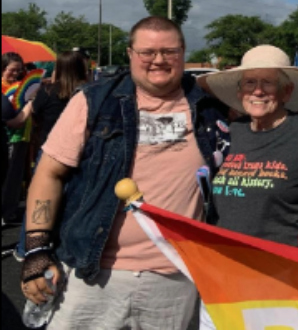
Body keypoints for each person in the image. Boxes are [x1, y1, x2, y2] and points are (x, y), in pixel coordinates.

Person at [20, 16, 230, 330]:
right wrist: (37, 249)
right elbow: (49, 173)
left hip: (176, 277)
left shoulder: (211, 108)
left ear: (183, 52)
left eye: (169, 51)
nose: (158, 60)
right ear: (130, 54)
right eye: (147, 52)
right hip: (92, 274)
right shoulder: (93, 102)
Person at [199, 45, 298, 245]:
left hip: (282, 265)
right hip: (224, 260)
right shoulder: (228, 132)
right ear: (240, 92)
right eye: (250, 83)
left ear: (287, 91)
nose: (258, 91)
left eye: (268, 83)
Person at [12, 50, 90, 261]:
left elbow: (33, 116)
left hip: (49, 151)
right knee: (74, 201)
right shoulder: (87, 92)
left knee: (39, 201)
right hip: (81, 153)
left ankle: (24, 248)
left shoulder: (47, 91)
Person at [1, 52, 31, 225]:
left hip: (23, 136)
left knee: (15, 177)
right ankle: (5, 212)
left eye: (19, 70)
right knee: (7, 177)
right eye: (13, 70)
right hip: (9, 136)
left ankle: (9, 211)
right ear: (3, 68)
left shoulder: (23, 86)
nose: (16, 73)